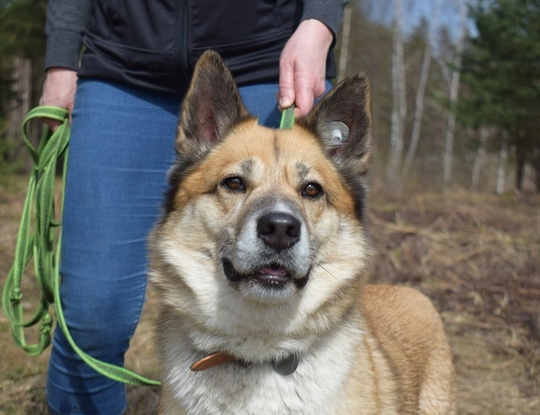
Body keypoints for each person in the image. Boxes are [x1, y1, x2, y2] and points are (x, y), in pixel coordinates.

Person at [39, 1, 346, 413]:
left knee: (291, 325)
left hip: (267, 49)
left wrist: (318, 24)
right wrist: (61, 57)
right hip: (120, 61)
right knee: (93, 314)